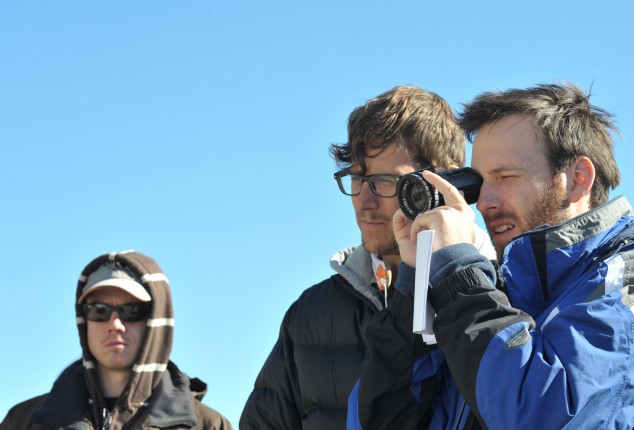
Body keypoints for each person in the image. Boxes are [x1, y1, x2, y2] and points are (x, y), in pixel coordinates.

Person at [348, 83, 634, 429]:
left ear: (577, 179)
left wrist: (460, 276)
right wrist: (415, 286)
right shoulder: (492, 294)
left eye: (506, 177)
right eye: (478, 183)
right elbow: (376, 421)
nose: (484, 203)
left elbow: (541, 415)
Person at [240, 85, 495, 429]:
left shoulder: (504, 298)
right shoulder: (312, 313)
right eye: (357, 178)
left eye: (386, 181)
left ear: (448, 181)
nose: (364, 201)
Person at [1, 250, 232, 429]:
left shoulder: (210, 426)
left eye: (132, 311)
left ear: (157, 320)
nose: (115, 324)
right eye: (99, 310)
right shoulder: (22, 422)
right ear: (84, 320)